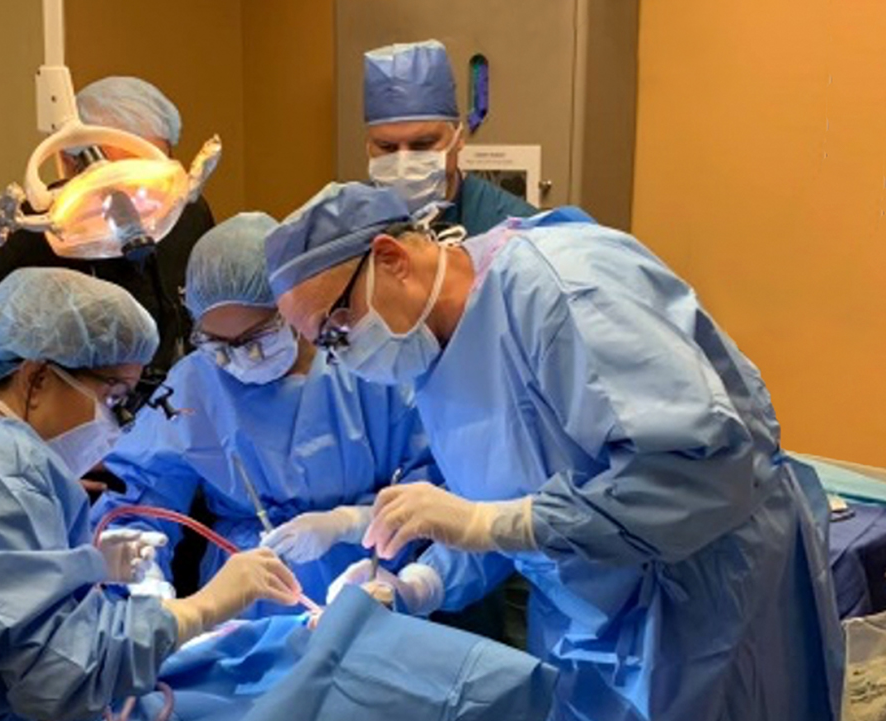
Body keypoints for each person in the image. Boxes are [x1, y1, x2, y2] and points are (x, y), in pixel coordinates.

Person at [265, 182, 844, 721]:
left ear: (391, 259)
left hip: (706, 603)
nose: (338, 358)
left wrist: (493, 520)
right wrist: (419, 584)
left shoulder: (561, 289)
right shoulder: (434, 351)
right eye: (323, 347)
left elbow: (698, 466)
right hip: (587, 617)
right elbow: (497, 512)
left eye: (337, 330)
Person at [0, 268, 301, 720]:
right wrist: (203, 608)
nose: (116, 421)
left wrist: (87, 564)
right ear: (37, 378)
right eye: (112, 396)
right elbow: (61, 671)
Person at [91, 213, 436, 616]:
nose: (239, 359)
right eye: (217, 344)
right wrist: (142, 576)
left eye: (256, 339)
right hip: (243, 599)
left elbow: (437, 485)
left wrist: (353, 521)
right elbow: (139, 500)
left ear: (293, 309)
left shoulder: (368, 365)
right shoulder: (197, 382)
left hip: (368, 580)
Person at [0, 75, 215, 411]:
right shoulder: (27, 237)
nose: (135, 210)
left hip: (159, 442)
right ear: (68, 165)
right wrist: (0, 441)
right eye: (118, 183)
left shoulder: (185, 216)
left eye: (148, 182)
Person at [363, 40, 535, 233]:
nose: (404, 163)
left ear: (458, 139)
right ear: (368, 146)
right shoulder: (351, 225)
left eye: (422, 145)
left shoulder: (512, 229)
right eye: (387, 147)